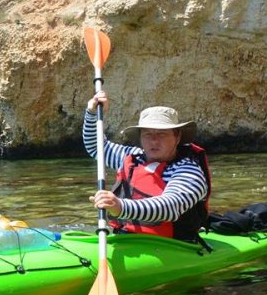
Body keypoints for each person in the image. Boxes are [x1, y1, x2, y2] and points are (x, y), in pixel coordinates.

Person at [83, 90, 211, 243]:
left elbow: (170, 207)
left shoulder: (189, 171)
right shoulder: (132, 157)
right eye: (148, 134)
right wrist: (92, 113)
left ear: (177, 137)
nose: (154, 141)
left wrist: (120, 206)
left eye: (162, 134)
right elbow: (96, 147)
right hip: (127, 239)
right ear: (140, 137)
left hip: (175, 246)